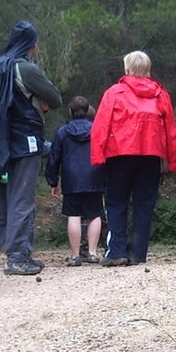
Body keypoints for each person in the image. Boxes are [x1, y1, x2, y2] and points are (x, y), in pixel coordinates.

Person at [0, 22, 63, 276]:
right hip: (25, 142)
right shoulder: (25, 69)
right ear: (31, 45)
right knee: (22, 200)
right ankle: (17, 257)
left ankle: (1, 248)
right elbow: (56, 98)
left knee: (6, 198)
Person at [91, 51, 176, 266]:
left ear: (127, 69)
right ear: (148, 70)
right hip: (151, 156)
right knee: (144, 204)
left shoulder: (114, 93)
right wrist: (173, 161)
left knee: (116, 202)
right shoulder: (160, 94)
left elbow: (100, 127)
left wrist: (98, 157)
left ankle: (117, 251)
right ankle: (138, 253)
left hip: (119, 155)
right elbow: (171, 130)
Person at [45, 97, 106, 267]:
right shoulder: (97, 129)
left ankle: (75, 255)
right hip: (94, 177)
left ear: (70, 111)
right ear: (87, 111)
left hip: (71, 180)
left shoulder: (62, 132)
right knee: (95, 214)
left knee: (73, 215)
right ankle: (92, 252)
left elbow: (54, 157)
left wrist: (53, 181)